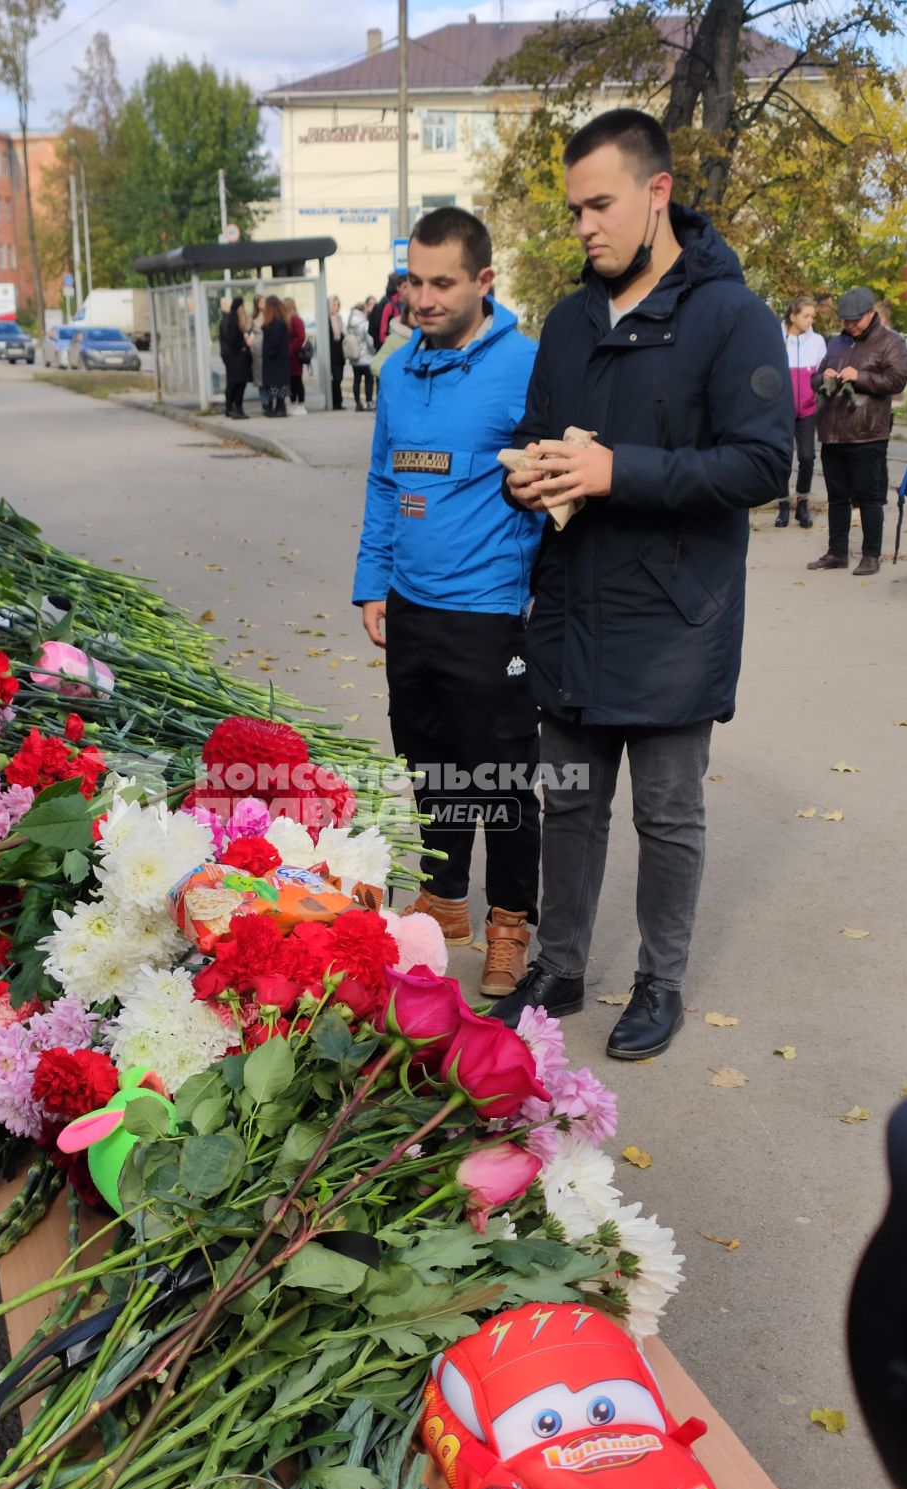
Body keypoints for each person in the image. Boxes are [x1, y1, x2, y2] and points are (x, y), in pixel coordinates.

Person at [498, 107, 790, 1060]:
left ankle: (660, 982)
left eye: (601, 204)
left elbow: (760, 464)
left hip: (674, 616)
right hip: (574, 604)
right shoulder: (569, 320)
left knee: (668, 814)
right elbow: (543, 433)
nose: (584, 226)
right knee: (570, 801)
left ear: (658, 192)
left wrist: (618, 473)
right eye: (574, 208)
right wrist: (530, 473)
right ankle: (562, 964)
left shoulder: (732, 316)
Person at [353, 206, 541, 999]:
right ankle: (446, 903)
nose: (422, 300)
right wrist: (373, 579)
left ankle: (510, 922)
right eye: (413, 282)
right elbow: (384, 481)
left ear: (483, 282)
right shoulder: (398, 368)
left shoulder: (527, 365)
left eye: (442, 283)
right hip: (412, 608)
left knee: (496, 774)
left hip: (492, 608)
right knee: (429, 764)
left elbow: (555, 481)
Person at [806, 287, 907, 576]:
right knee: (837, 496)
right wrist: (821, 378)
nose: (849, 325)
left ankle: (870, 554)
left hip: (867, 432)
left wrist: (859, 377)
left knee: (869, 497)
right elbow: (817, 376)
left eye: (855, 320)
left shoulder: (890, 342)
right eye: (845, 320)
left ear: (871, 313)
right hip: (833, 431)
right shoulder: (836, 343)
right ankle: (837, 552)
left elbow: (897, 380)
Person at [778, 295, 826, 527]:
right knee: (783, 458)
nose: (810, 321)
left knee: (807, 456)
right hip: (782, 411)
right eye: (806, 316)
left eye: (812, 316)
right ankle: (783, 505)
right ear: (793, 316)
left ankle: (803, 504)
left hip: (807, 410)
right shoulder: (776, 338)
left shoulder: (817, 342)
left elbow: (821, 374)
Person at [218, 295, 251, 419]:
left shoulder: (229, 319)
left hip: (232, 356)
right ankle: (236, 408)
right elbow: (232, 339)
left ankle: (232, 408)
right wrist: (242, 347)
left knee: (235, 383)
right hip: (235, 357)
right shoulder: (232, 320)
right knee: (237, 383)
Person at [259, 295, 289, 417]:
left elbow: (274, 342)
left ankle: (278, 408)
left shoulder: (275, 322)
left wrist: (268, 353)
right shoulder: (280, 321)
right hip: (279, 360)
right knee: (277, 384)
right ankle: (279, 407)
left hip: (274, 360)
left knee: (274, 384)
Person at [369, 299, 416, 375]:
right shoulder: (396, 337)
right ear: (407, 314)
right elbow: (377, 365)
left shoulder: (436, 339)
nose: (419, 315)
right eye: (414, 312)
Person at [345, 300, 376, 411]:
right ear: (363, 310)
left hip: (354, 356)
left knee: (357, 380)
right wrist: (374, 351)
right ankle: (368, 402)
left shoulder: (349, 323)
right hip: (366, 357)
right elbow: (369, 340)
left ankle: (358, 403)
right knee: (369, 380)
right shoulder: (364, 323)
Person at [282, 297, 308, 415]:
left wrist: (291, 348)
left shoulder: (295, 320)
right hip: (289, 357)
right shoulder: (287, 320)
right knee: (291, 381)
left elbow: (301, 337)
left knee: (297, 380)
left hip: (295, 357)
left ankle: (301, 403)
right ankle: (293, 403)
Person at [372, 276, 403, 350]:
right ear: (397, 287)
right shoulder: (391, 304)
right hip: (389, 345)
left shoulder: (383, 301)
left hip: (382, 344)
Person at [327, 295, 346, 410]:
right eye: (334, 305)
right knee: (335, 378)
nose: (336, 307)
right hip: (331, 352)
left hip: (340, 352)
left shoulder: (339, 318)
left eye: (338, 305)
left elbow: (342, 334)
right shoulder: (326, 319)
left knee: (339, 378)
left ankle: (338, 402)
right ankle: (334, 401)